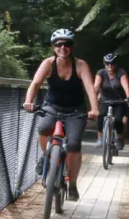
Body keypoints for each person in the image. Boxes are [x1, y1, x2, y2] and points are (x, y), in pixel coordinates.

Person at [23, 29, 98, 202]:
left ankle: (72, 184)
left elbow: (89, 88)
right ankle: (46, 156)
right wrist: (28, 101)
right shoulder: (48, 64)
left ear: (72, 47)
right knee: (43, 128)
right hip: (52, 107)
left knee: (73, 144)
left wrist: (94, 109)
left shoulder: (80, 65)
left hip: (75, 109)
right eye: (58, 44)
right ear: (53, 47)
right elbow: (35, 84)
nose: (63, 47)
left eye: (67, 44)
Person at [94, 53, 129, 150]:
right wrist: (93, 96)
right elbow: (96, 86)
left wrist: (128, 97)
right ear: (104, 64)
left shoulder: (121, 73)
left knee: (118, 120)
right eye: (107, 64)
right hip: (104, 100)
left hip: (119, 101)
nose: (110, 66)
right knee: (100, 116)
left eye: (112, 64)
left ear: (116, 64)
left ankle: (120, 138)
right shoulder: (101, 73)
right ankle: (100, 138)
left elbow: (126, 86)